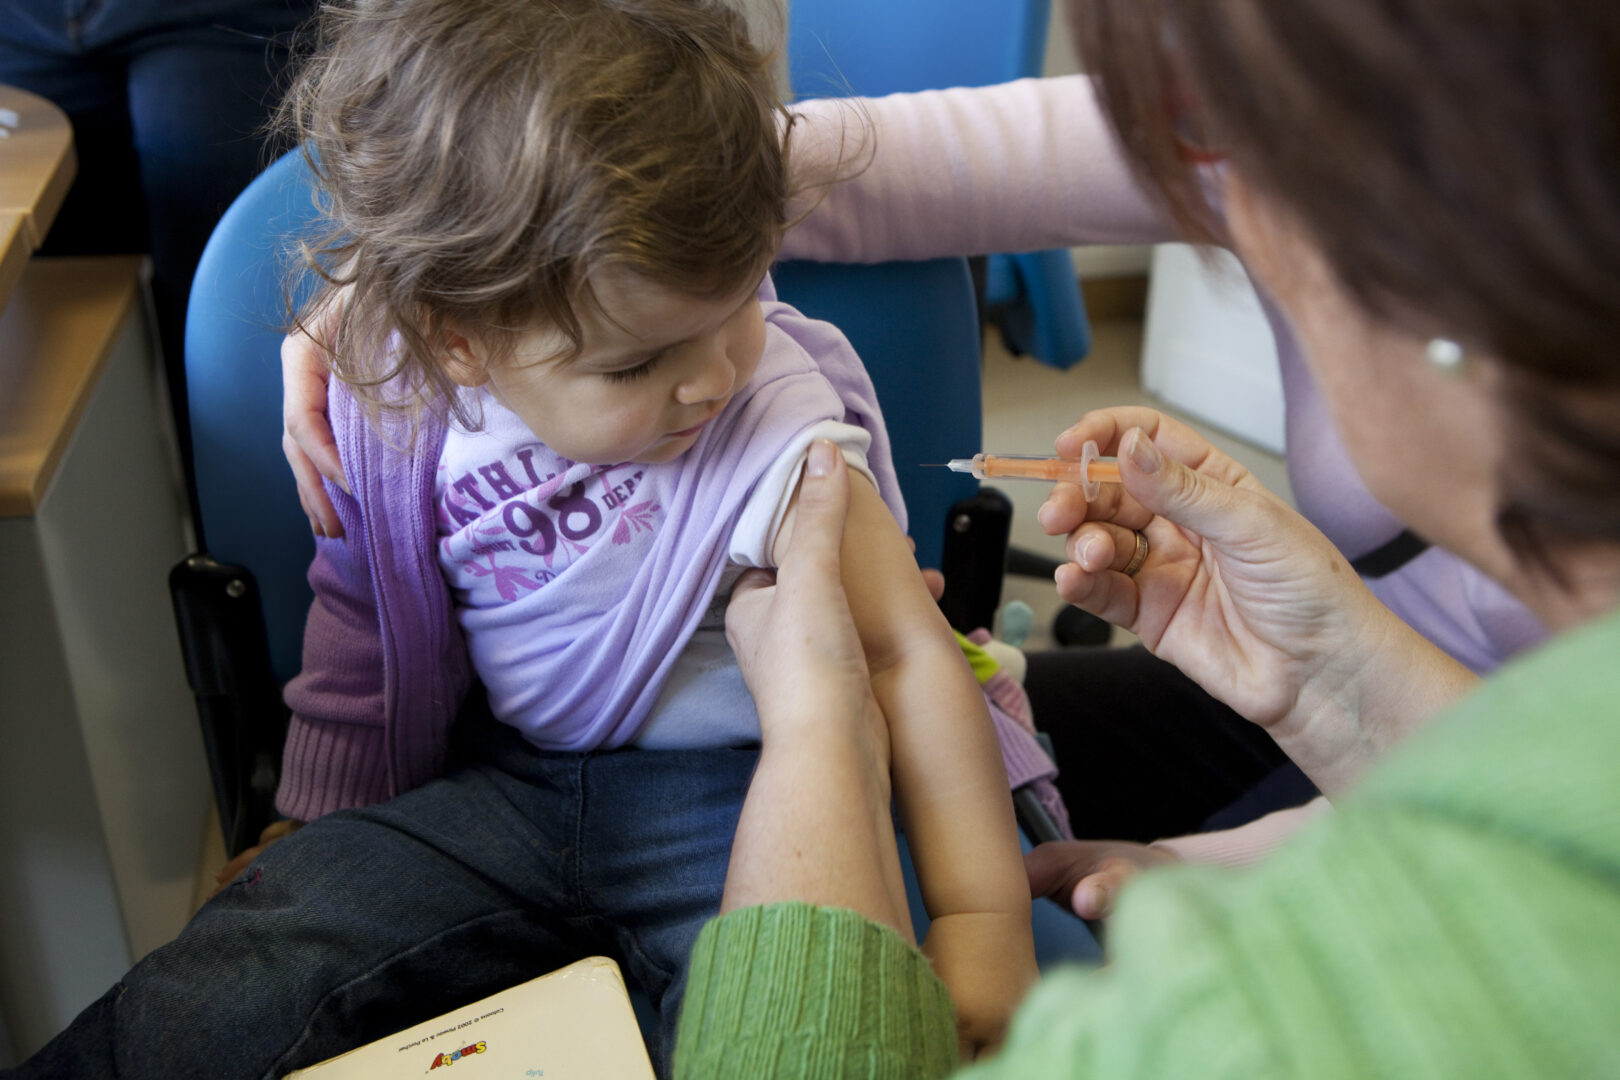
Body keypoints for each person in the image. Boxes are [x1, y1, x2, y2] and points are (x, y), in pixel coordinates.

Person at [277, 26, 1552, 914]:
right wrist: (432, 274)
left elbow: (1567, 852)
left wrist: (1257, 867)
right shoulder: (1321, 118)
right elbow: (774, 167)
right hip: (1406, 701)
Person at [1, 1, 1035, 1076]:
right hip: (498, 789)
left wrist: (980, 925)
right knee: (232, 980)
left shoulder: (780, 425)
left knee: (766, 1028)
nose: (712, 378)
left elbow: (910, 657)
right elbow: (361, 645)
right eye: (634, 366)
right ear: (462, 344)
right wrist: (319, 826)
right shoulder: (399, 419)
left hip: (738, 801)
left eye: (733, 310)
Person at [669, 0, 1620, 1075]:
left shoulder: (1279, 1016)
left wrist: (811, 730)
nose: (1221, 196)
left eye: (1244, 149)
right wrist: (1333, 693)